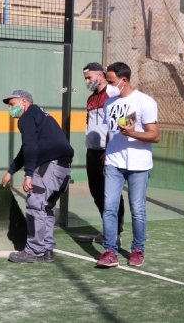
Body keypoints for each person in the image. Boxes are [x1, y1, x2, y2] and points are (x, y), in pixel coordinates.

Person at [96, 62, 159, 268]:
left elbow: (154, 136)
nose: (109, 85)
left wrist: (133, 133)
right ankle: (110, 251)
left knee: (137, 209)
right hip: (114, 163)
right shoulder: (109, 103)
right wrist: (107, 152)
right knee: (109, 208)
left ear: (124, 80)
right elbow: (109, 132)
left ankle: (138, 250)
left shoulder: (145, 102)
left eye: (112, 81)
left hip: (139, 165)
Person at [1, 90, 74, 264]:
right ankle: (47, 249)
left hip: (49, 166)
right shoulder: (41, 115)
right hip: (63, 167)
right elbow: (27, 148)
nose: (10, 109)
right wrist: (11, 170)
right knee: (46, 207)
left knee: (35, 205)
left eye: (12, 104)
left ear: (24, 102)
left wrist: (28, 175)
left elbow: (30, 147)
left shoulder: (27, 117)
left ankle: (33, 251)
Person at [82, 62, 125, 246]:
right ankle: (108, 229)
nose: (87, 81)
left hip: (109, 152)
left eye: (89, 78)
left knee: (112, 194)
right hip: (92, 152)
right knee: (97, 192)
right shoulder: (91, 100)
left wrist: (110, 148)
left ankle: (116, 232)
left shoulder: (114, 94)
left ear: (100, 76)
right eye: (85, 78)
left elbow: (119, 123)